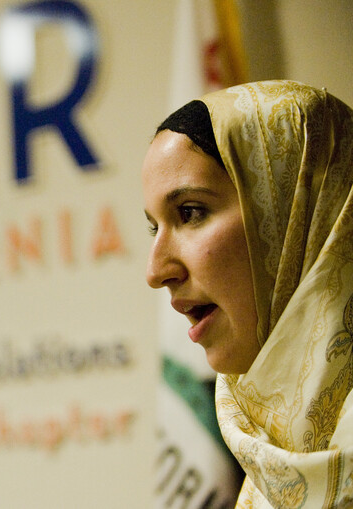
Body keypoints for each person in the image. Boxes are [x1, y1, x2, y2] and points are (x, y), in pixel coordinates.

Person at [143, 80, 353, 507]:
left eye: (190, 212)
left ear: (299, 211)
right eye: (153, 226)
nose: (156, 271)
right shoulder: (263, 459)